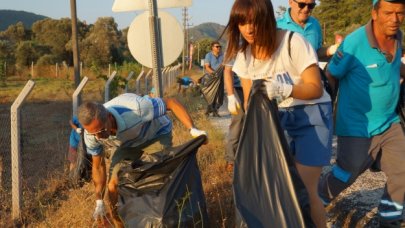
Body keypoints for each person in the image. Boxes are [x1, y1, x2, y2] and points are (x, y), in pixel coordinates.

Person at [224, 0, 333, 227]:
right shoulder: (245, 56)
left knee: (303, 189)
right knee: (280, 184)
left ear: (268, 18)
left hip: (311, 115)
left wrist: (287, 89)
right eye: (242, 23)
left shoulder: (293, 42)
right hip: (277, 119)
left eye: (254, 21)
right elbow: (249, 101)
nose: (249, 29)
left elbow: (316, 88)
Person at [318, 0, 405, 227]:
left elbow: (392, 66)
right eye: (388, 13)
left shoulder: (399, 37)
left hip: (389, 122)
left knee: (402, 173)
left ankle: (389, 220)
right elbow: (332, 73)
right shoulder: (355, 42)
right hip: (357, 126)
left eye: (400, 13)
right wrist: (328, 112)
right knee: (345, 175)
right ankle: (309, 203)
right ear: (374, 13)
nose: (395, 19)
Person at [77, 93, 207, 227]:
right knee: (113, 185)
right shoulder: (91, 134)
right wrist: (99, 201)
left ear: (109, 117)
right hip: (127, 145)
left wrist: (193, 129)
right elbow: (98, 167)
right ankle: (120, 224)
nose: (99, 137)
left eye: (102, 131)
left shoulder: (137, 109)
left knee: (160, 178)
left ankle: (171, 218)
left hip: (156, 134)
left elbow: (171, 103)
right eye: (94, 133)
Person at [224, 62, 244, 172]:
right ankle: (231, 159)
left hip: (255, 86)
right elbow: (228, 71)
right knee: (239, 119)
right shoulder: (236, 46)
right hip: (237, 87)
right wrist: (231, 96)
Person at [204, 41, 224, 117]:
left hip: (220, 77)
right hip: (211, 77)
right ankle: (209, 110)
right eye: (217, 46)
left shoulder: (222, 55)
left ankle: (215, 110)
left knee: (220, 94)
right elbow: (207, 67)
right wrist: (214, 74)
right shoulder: (208, 55)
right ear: (212, 47)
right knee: (211, 94)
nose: (219, 48)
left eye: (220, 46)